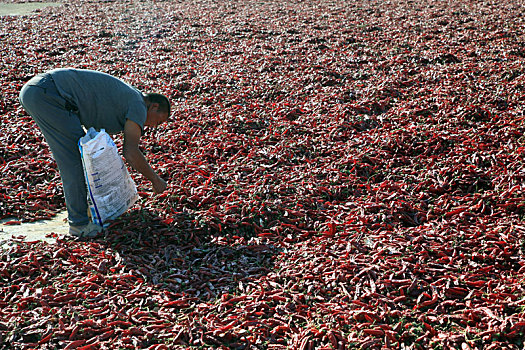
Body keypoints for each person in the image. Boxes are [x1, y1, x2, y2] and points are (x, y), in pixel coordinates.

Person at [19, 68, 170, 238]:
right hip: (49, 94)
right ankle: (79, 224)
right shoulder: (139, 105)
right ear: (154, 106)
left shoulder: (132, 97)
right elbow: (130, 152)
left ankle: (84, 212)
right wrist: (155, 180)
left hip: (43, 90)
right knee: (75, 160)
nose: (154, 126)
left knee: (82, 157)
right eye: (159, 120)